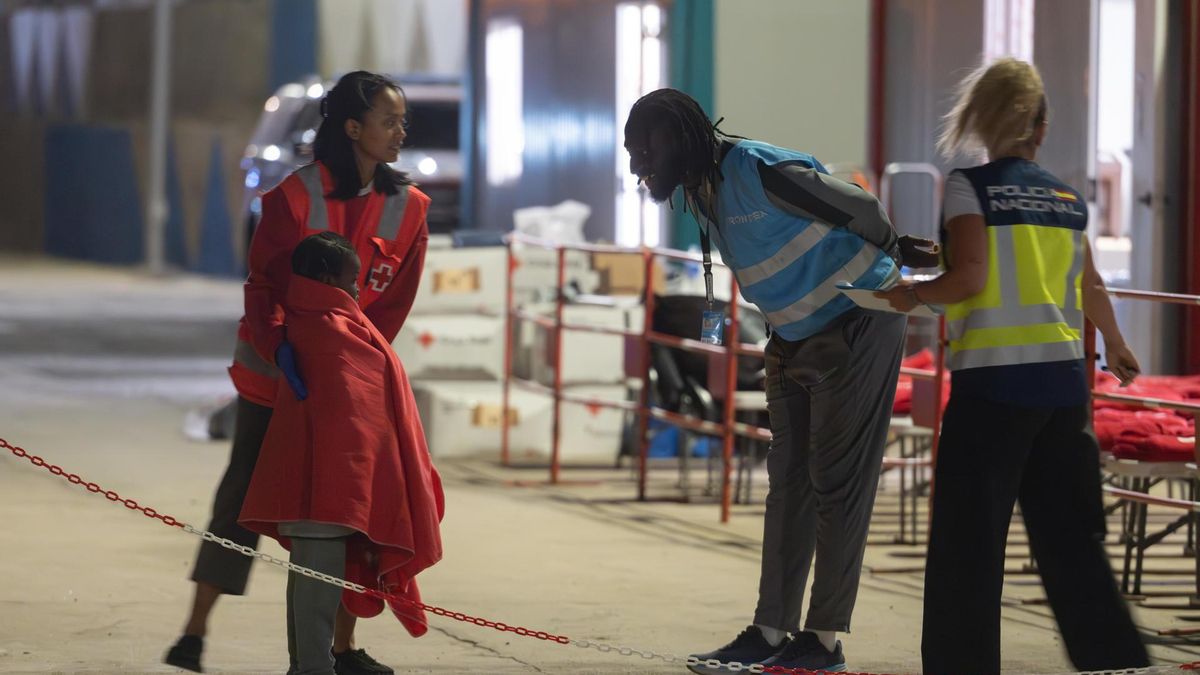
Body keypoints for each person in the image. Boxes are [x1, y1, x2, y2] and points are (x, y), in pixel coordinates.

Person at [623, 88, 938, 674]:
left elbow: (860, 209)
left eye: (643, 151)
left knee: (836, 485)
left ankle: (821, 642)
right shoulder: (703, 191)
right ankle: (771, 632)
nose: (639, 165)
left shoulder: (759, 168)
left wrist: (897, 250)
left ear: (680, 136)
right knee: (788, 484)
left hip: (858, 321)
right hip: (792, 337)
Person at [874, 58, 1149, 675]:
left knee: (968, 547)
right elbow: (1093, 285)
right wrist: (1118, 345)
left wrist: (911, 294)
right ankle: (1115, 662)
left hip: (994, 390)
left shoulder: (971, 187)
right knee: (1072, 542)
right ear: (1041, 127)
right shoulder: (1066, 197)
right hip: (1061, 391)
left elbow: (970, 275)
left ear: (982, 120)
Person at [165, 70, 430, 674]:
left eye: (402, 121)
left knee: (349, 511)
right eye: (389, 120)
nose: (400, 132)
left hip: (348, 387)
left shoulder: (410, 209)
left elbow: (392, 305)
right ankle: (194, 633)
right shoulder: (292, 198)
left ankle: (343, 648)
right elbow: (262, 286)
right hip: (275, 376)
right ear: (353, 127)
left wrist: (355, 368)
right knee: (242, 500)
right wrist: (283, 345)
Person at [239, 231, 444, 675]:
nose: (358, 289)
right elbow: (352, 419)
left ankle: (307, 666)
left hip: (319, 489)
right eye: (353, 280)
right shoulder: (329, 329)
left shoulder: (321, 321)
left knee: (308, 586)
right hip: (328, 491)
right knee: (316, 589)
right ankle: (312, 669)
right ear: (327, 277)